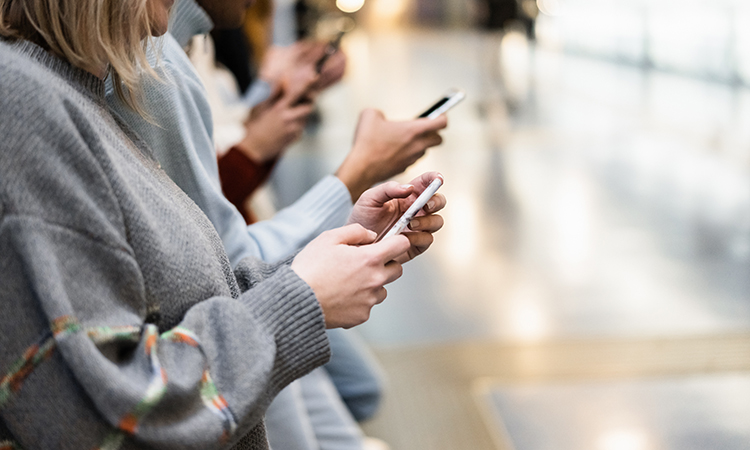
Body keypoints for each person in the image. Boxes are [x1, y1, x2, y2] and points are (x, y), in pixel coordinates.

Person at [0, 1, 446, 450]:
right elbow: (104, 420)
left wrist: (313, 267)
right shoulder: (25, 104)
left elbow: (182, 295)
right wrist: (302, 298)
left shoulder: (77, 92)